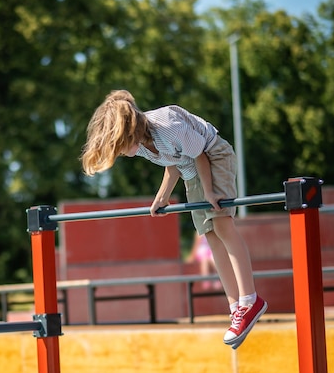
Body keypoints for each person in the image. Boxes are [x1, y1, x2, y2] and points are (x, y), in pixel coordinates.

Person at [80, 89, 267, 349]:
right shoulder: (144, 146)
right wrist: (162, 197)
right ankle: (235, 307)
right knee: (211, 238)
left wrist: (210, 191)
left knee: (223, 227)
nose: (121, 154)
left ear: (130, 133)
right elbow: (173, 163)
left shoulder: (167, 125)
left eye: (120, 147)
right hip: (192, 174)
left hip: (214, 158)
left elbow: (201, 155)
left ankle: (250, 300)